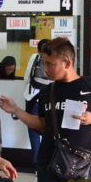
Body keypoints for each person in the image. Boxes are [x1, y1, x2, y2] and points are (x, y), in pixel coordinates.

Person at [0, 38, 91, 182]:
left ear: (67, 62)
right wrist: (16, 110)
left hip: (82, 165)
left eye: (50, 64)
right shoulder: (48, 92)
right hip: (49, 164)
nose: (46, 68)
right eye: (44, 63)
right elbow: (42, 125)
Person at [22, 39, 51, 168]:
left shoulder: (35, 57)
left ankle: (37, 164)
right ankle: (49, 162)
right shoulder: (55, 58)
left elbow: (26, 77)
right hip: (51, 97)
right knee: (50, 129)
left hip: (34, 97)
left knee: (33, 129)